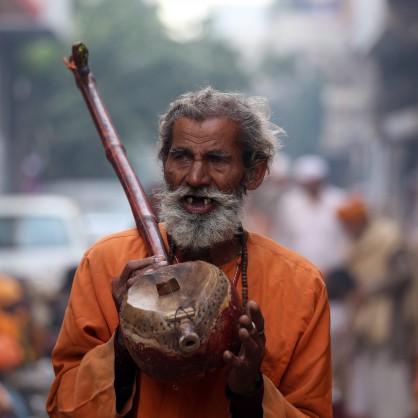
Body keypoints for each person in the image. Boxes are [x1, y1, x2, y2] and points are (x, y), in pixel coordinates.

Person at [46, 87, 332, 418]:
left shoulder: (300, 285)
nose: (195, 178)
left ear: (254, 172)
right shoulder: (107, 263)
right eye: (181, 157)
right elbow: (64, 405)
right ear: (164, 163)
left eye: (217, 160)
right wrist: (125, 343)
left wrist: (250, 391)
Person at [337, 196, 416, 418]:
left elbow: (404, 274)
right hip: (366, 324)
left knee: (391, 383)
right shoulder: (356, 245)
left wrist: (369, 290)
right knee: (367, 386)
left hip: (392, 322)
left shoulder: (388, 238)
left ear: (360, 219)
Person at [274, 154, 348, 277]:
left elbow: (346, 238)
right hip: (298, 272)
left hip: (333, 273)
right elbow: (283, 237)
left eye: (315, 181)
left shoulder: (339, 201)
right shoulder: (289, 204)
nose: (312, 186)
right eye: (308, 182)